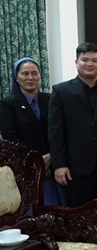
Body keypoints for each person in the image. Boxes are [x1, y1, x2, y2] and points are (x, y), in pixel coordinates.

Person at [49, 42, 97, 207]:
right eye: (85, 60)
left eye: (95, 61)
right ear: (76, 62)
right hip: (75, 168)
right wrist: (59, 165)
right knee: (78, 215)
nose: (90, 64)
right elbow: (55, 131)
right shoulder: (61, 91)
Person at [0, 57, 65, 206]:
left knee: (60, 208)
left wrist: (52, 155)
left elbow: (60, 129)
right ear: (16, 78)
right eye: (25, 73)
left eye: (34, 73)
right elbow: (10, 136)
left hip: (54, 164)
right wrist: (36, 159)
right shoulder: (8, 104)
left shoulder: (51, 99)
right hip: (26, 167)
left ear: (40, 76)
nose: (30, 77)